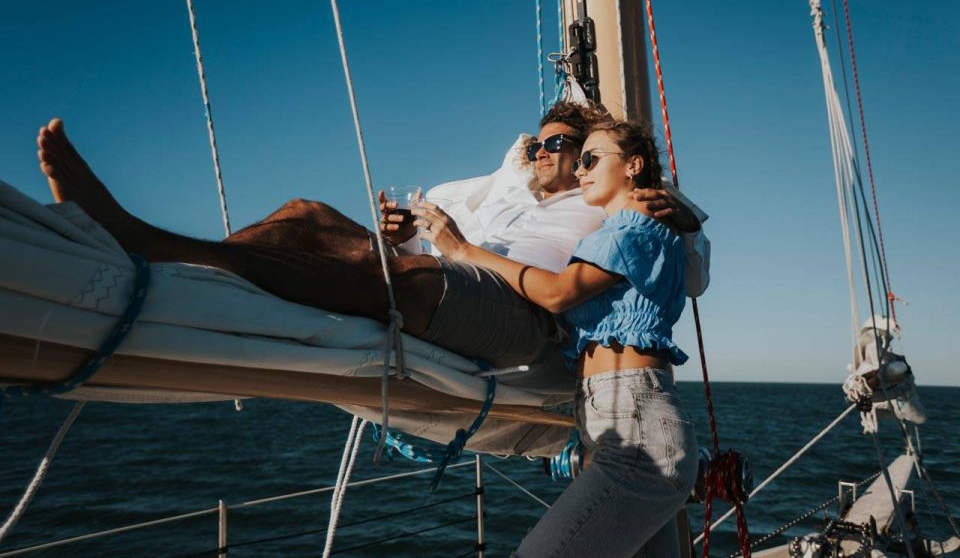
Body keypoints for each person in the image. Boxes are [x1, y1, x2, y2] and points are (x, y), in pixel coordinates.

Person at [34, 101, 706, 369]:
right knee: (306, 214)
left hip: (525, 315)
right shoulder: (515, 205)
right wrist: (405, 235)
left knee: (404, 280)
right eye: (540, 146)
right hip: (469, 275)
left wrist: (669, 207)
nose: (545, 155)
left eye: (568, 148)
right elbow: (455, 251)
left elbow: (687, 255)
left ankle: (144, 239)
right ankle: (188, 268)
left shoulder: (627, 203)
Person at [414, 117, 698, 557]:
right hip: (621, 422)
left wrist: (463, 250)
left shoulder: (632, 229)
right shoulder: (635, 230)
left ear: (633, 165)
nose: (580, 170)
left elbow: (557, 293)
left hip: (636, 432)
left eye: (590, 159)